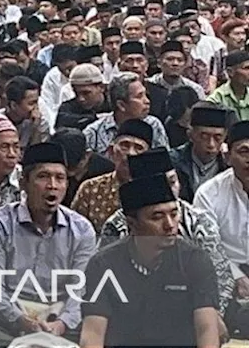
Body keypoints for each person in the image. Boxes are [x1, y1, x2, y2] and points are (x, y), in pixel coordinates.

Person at [0, 141, 96, 345]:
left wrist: (61, 324)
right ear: (23, 182)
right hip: (10, 321)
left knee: (100, 329)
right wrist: (25, 323)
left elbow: (80, 291)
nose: (52, 185)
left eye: (60, 178)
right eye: (43, 176)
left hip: (58, 319)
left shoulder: (82, 229)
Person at [80, 173, 221, 348]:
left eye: (174, 214)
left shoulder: (195, 260)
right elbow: (92, 333)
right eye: (157, 217)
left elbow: (206, 329)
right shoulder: (103, 264)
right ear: (132, 224)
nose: (170, 224)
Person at [99, 148, 234, 316]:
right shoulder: (117, 224)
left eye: (172, 182)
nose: (169, 191)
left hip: (192, 312)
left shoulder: (199, 221)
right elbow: (104, 281)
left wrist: (211, 315)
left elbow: (221, 277)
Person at [192, 119, 249, 335]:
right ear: (227, 156)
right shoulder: (209, 194)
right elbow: (207, 249)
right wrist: (236, 276)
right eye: (244, 151)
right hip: (225, 274)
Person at [72, 117, 154, 232]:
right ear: (111, 151)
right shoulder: (90, 189)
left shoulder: (156, 192)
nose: (130, 153)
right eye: (125, 145)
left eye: (138, 148)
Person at [173, 102, 230, 201]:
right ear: (190, 135)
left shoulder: (230, 165)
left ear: (224, 137)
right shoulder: (173, 162)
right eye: (204, 136)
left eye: (217, 138)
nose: (211, 144)